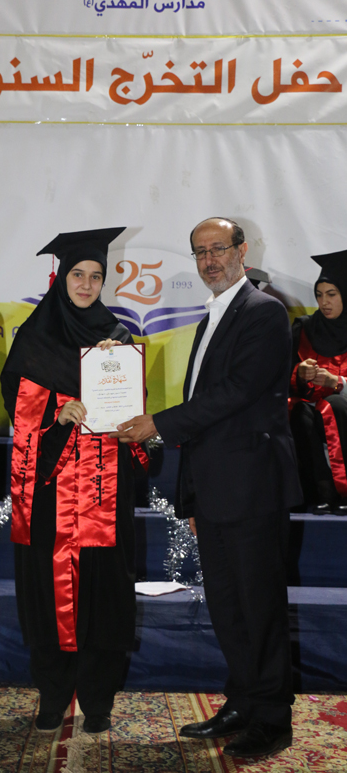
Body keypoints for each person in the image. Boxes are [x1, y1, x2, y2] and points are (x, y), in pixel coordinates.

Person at [111, 218, 302, 760]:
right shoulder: (210, 317)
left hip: (252, 489)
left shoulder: (264, 312)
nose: (209, 260)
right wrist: (191, 493)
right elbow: (208, 409)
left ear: (242, 250)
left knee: (258, 607)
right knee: (227, 606)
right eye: (200, 252)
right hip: (216, 489)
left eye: (219, 249)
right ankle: (242, 701)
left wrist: (157, 423)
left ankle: (272, 719)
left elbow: (237, 392)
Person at [1, 228, 148, 735]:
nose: (86, 284)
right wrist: (55, 414)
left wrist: (114, 369)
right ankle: (52, 692)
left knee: (104, 590)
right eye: (78, 275)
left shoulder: (118, 337)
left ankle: (99, 698)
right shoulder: (33, 337)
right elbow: (18, 410)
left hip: (103, 490)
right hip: (49, 490)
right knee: (48, 589)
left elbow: (133, 419)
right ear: (60, 278)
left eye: (96, 277)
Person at [290, 251, 347, 515]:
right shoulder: (305, 329)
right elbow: (284, 381)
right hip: (314, 412)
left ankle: (344, 490)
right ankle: (321, 491)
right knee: (297, 410)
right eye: (319, 294)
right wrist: (299, 375)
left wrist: (338, 382)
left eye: (332, 294)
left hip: (342, 410)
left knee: (333, 404)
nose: (324, 302)